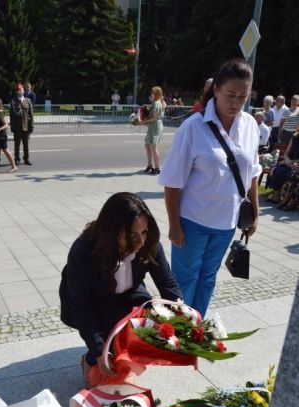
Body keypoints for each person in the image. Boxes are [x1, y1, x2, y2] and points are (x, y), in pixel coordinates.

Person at [159, 58, 261, 318]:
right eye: (230, 95)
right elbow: (172, 182)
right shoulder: (193, 128)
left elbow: (253, 174)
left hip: (227, 223)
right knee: (184, 280)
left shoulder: (250, 125)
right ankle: (178, 334)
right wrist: (174, 225)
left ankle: (196, 327)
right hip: (192, 221)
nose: (236, 103)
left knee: (208, 278)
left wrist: (255, 212)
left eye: (243, 96)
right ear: (215, 89)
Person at [59, 192, 182, 386]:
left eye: (144, 232)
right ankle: (90, 360)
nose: (141, 241)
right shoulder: (83, 252)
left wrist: (183, 320)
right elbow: (82, 307)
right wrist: (99, 351)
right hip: (91, 300)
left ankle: (123, 363)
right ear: (112, 231)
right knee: (111, 331)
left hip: (127, 292)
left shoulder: (147, 243)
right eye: (132, 235)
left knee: (151, 320)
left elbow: (167, 284)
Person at [9, 83, 34, 165]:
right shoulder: (13, 101)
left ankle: (26, 159)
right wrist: (12, 127)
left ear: (24, 91)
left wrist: (32, 126)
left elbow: (31, 114)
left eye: (21, 90)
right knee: (17, 144)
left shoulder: (28, 101)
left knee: (26, 144)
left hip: (26, 126)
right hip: (17, 127)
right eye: (18, 90)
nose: (20, 91)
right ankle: (17, 159)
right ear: (16, 92)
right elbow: (11, 116)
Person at [143, 86, 164, 175]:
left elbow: (154, 118)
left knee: (153, 146)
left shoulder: (156, 103)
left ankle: (157, 168)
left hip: (155, 125)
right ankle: (149, 165)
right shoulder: (159, 102)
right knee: (147, 145)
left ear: (156, 94)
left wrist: (142, 121)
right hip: (153, 125)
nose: (151, 94)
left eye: (152, 93)